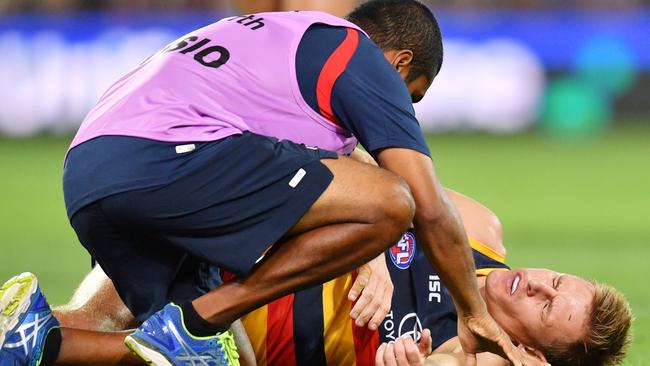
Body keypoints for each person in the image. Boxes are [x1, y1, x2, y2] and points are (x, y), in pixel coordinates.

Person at [0, 1, 543, 365]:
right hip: (163, 161)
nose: (404, 108)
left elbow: (323, 172)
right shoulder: (357, 55)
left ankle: (23, 339)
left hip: (93, 174)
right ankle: (198, 321)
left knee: (161, 353)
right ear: (399, 62)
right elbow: (423, 205)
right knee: (393, 203)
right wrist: (473, 310)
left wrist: (371, 257)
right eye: (411, 94)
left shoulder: (282, 49)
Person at [2, 190, 631, 366]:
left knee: (66, 333)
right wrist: (375, 243)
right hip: (234, 236)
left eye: (549, 307)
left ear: (531, 352)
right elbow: (359, 159)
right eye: (559, 280)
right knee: (80, 327)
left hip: (236, 337)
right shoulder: (477, 227)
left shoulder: (470, 357)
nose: (538, 283)